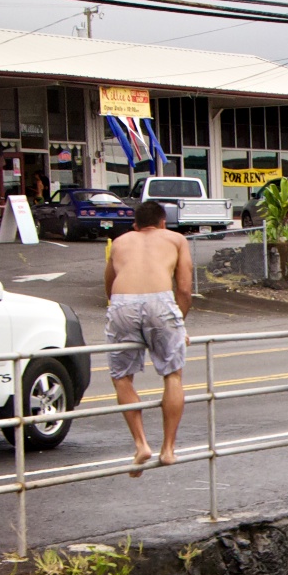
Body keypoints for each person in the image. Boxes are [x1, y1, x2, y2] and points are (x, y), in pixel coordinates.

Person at [104, 199, 192, 471]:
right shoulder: (176, 239)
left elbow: (108, 288)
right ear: (163, 222)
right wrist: (180, 326)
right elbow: (185, 290)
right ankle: (168, 449)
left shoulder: (120, 242)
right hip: (160, 302)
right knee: (172, 374)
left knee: (121, 377)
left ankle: (141, 444)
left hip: (122, 302)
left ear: (135, 225)